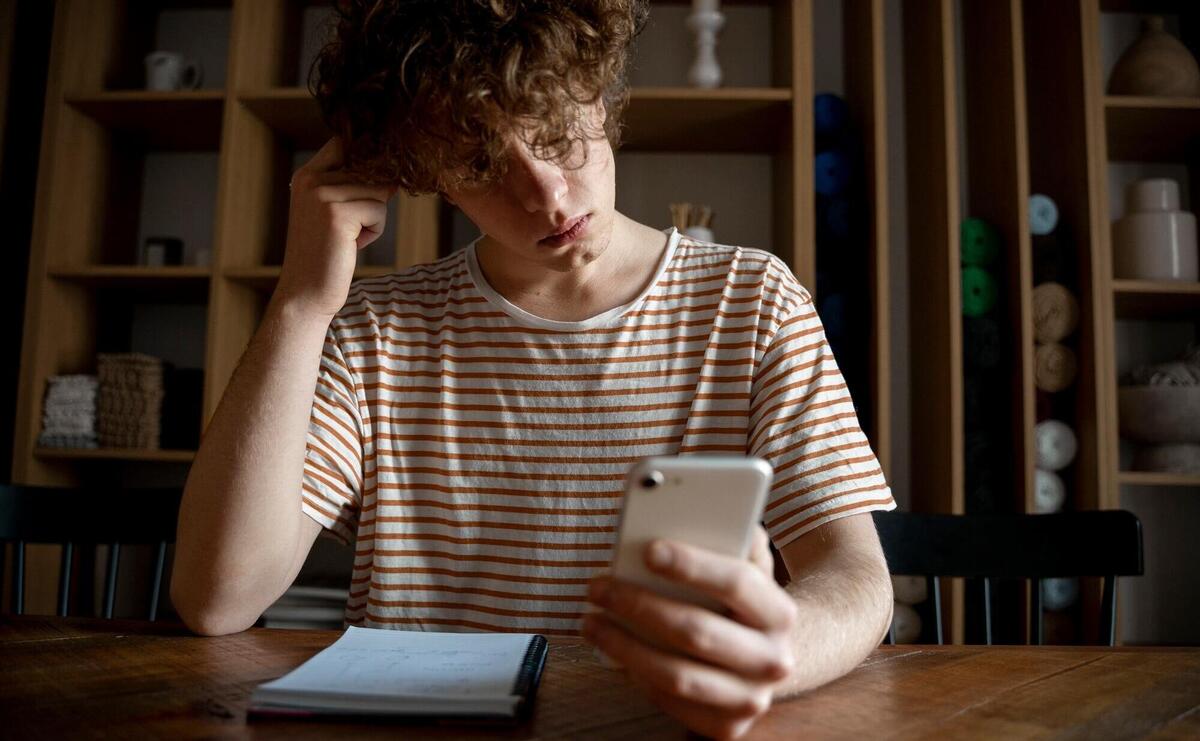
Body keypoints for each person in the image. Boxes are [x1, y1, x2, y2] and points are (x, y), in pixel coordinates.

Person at [171, 1, 896, 737]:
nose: (547, 194)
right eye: (483, 164)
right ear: (425, 175)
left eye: (555, 133)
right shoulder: (374, 332)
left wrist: (781, 646)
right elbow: (218, 599)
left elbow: (856, 575)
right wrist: (301, 303)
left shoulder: (752, 302)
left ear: (603, 94)